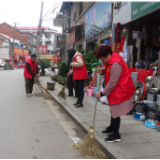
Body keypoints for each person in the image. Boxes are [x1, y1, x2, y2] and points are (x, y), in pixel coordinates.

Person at [95, 45, 135, 143]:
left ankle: (116, 135)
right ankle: (111, 127)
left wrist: (102, 93)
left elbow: (113, 82)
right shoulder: (111, 60)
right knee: (113, 110)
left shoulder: (116, 63)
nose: (102, 61)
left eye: (103, 59)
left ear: (108, 55)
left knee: (116, 112)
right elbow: (110, 70)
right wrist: (103, 70)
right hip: (116, 89)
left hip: (120, 89)